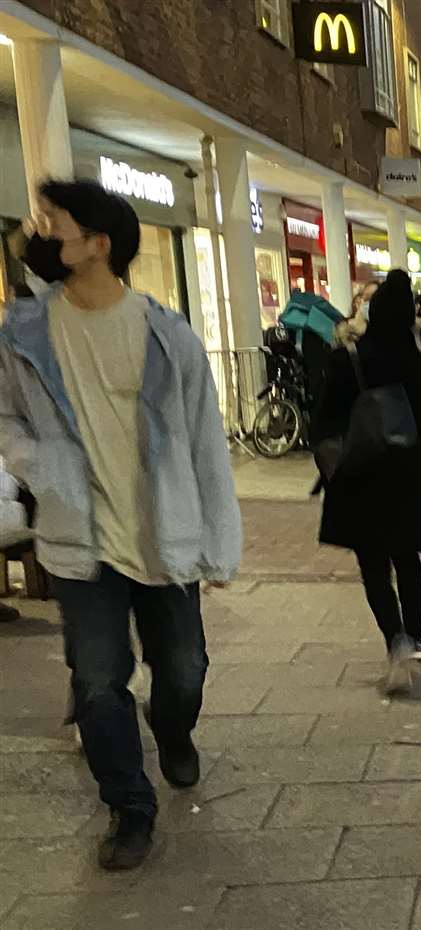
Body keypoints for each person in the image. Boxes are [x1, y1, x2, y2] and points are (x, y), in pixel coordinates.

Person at [0, 180, 243, 871]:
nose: (37, 232)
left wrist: (219, 543)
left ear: (97, 245)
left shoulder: (169, 337)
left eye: (55, 225)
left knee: (184, 670)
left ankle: (172, 731)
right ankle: (129, 808)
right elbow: (6, 418)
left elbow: (205, 445)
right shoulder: (22, 334)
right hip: (80, 542)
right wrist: (40, 464)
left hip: (164, 536)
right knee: (98, 679)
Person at [315, 270, 421, 691]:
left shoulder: (348, 359)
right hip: (408, 478)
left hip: (358, 477)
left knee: (373, 565)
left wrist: (334, 466)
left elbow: (323, 423)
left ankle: (394, 637)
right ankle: (415, 636)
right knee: (407, 556)